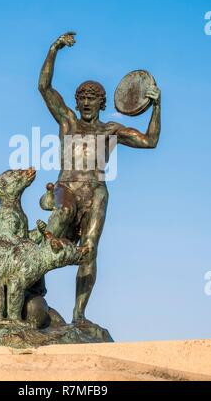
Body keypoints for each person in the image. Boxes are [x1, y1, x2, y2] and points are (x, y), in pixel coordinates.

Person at [38, 32, 161, 323]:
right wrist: (53, 49)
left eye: (93, 99)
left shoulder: (110, 130)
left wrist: (157, 106)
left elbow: (150, 141)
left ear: (102, 103)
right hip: (65, 186)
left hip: (95, 191)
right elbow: (44, 86)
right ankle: (32, 288)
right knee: (51, 234)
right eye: (82, 98)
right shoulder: (67, 120)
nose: (87, 103)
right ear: (76, 102)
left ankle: (79, 315)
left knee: (90, 249)